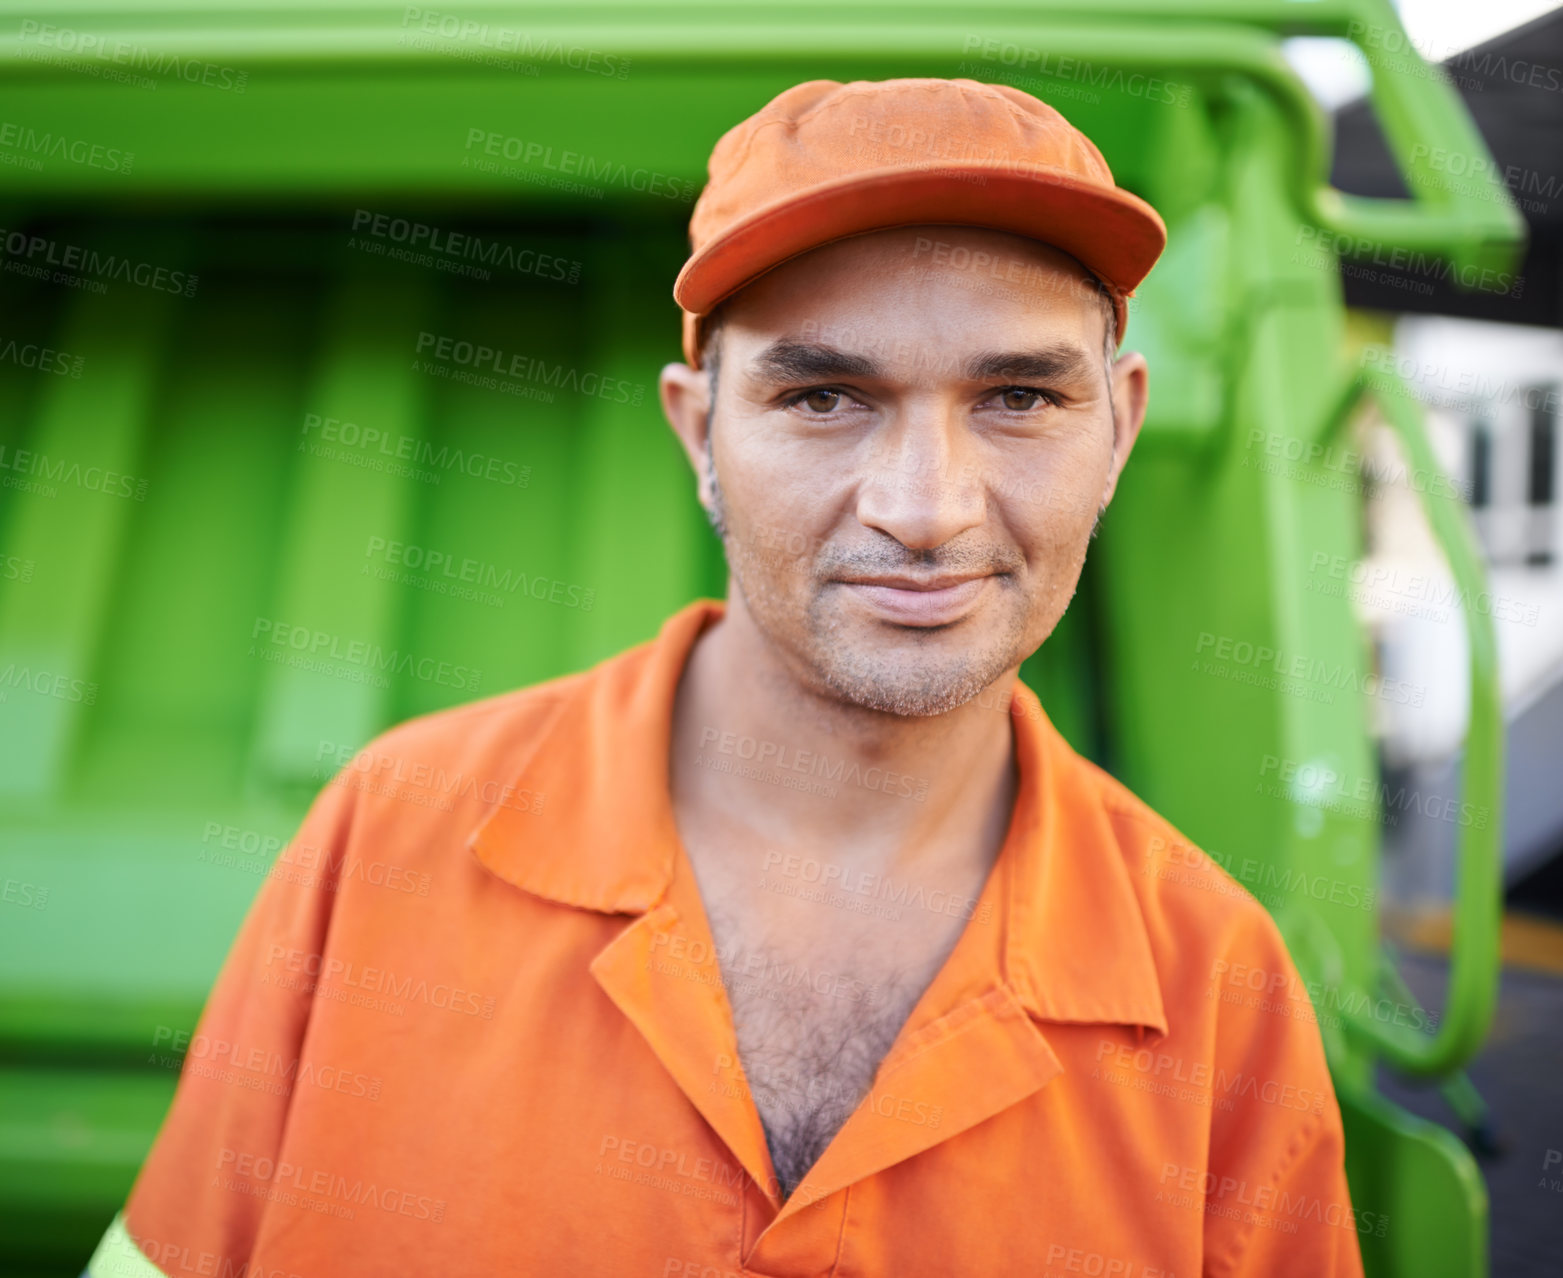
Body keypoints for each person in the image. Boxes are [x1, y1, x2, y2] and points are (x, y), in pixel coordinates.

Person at [86, 78, 1364, 1278]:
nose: (925, 508)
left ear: (1121, 428)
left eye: (1020, 397)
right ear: (700, 433)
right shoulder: (400, 829)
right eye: (822, 397)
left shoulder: (1214, 982)